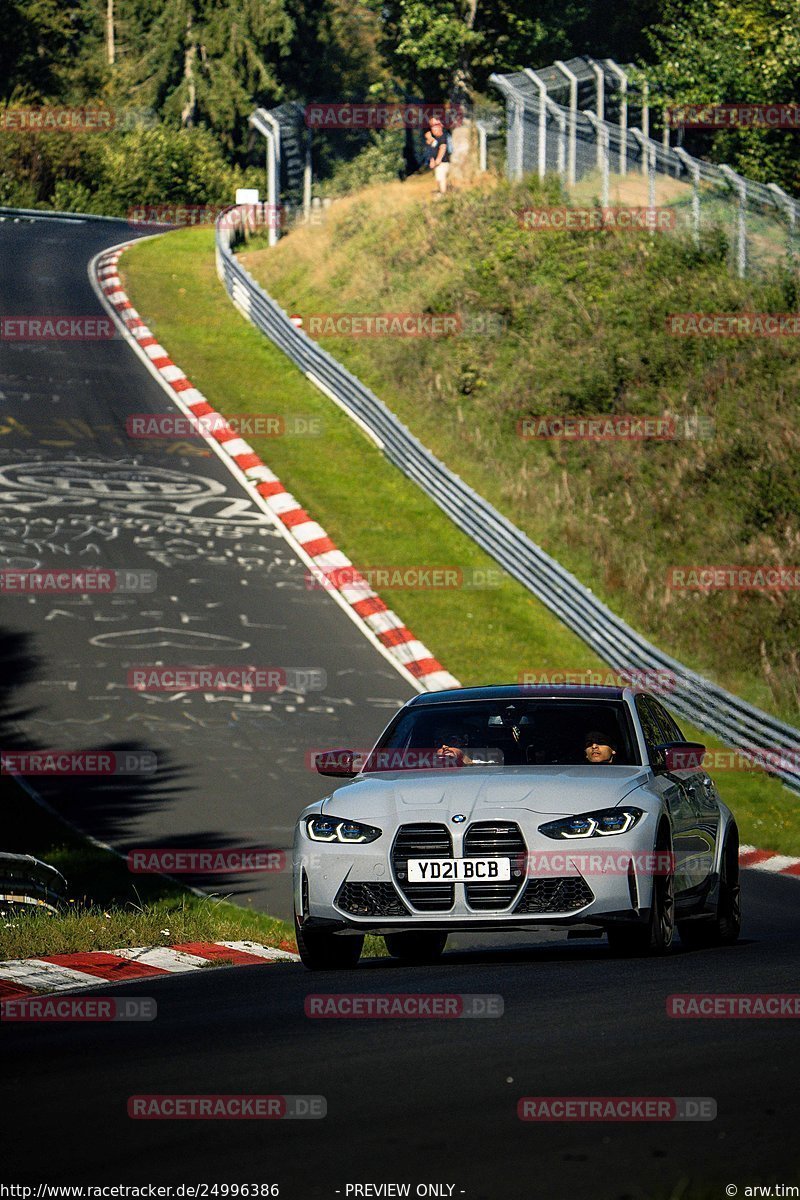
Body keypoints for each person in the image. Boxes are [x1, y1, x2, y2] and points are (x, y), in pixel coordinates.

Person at [428, 117, 450, 195]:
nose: (433, 128)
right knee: (439, 179)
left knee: (441, 179)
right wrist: (432, 160)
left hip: (443, 162)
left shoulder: (442, 136)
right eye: (432, 126)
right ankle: (441, 193)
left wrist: (438, 160)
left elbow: (443, 148)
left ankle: (443, 195)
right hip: (438, 163)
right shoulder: (434, 138)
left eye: (435, 125)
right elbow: (431, 151)